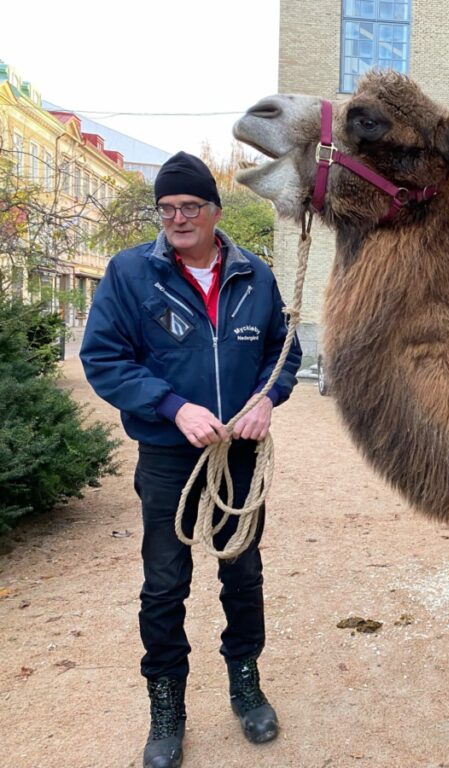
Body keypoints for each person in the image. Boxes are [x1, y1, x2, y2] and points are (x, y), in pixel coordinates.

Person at [81, 151, 302, 768]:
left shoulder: (255, 275)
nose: (177, 218)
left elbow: (285, 348)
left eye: (190, 207)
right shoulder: (130, 274)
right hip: (167, 455)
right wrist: (173, 407)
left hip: (239, 454)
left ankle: (245, 683)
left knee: (243, 574)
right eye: (168, 208)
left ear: (215, 211)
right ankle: (167, 707)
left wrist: (266, 399)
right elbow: (104, 358)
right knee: (164, 582)